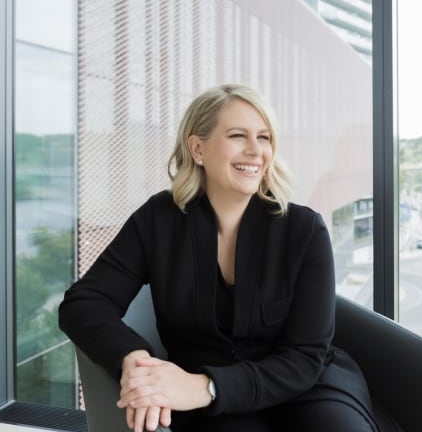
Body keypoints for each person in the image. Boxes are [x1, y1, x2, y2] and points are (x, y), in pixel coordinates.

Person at [59, 84, 400, 431]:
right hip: (213, 406)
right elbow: (84, 302)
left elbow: (305, 357)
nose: (256, 151)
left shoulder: (304, 229)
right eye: (238, 135)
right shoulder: (157, 221)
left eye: (264, 138)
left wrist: (206, 387)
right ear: (198, 149)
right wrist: (134, 358)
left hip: (306, 386)